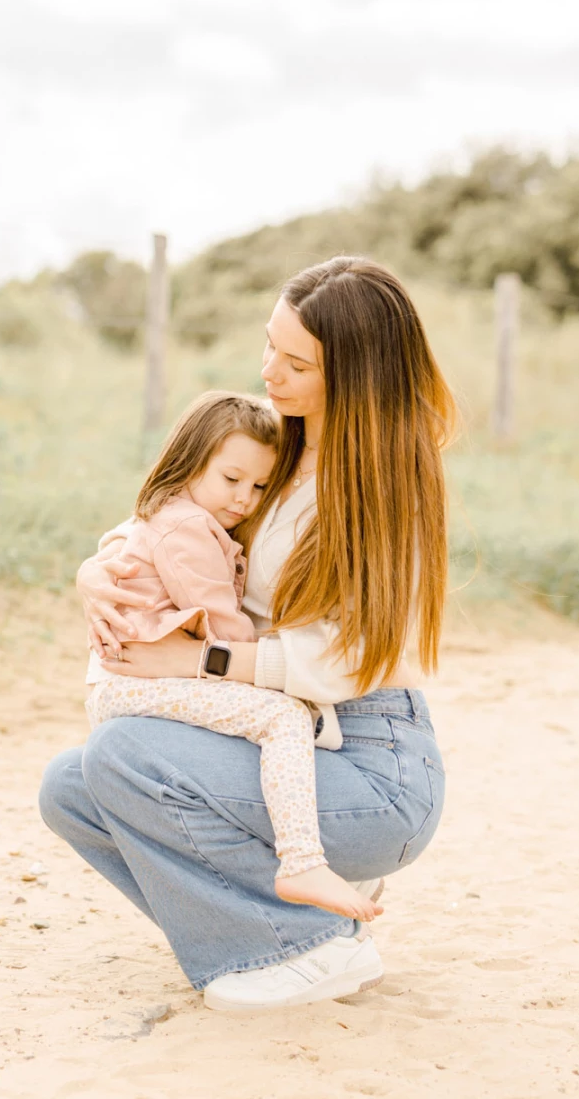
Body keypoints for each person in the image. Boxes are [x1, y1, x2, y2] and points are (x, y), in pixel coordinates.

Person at [39, 255, 452, 1014]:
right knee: (72, 787)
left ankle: (295, 947)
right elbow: (174, 523)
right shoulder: (276, 450)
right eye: (270, 345)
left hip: (367, 760)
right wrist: (94, 570)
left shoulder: (381, 487)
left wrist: (198, 658)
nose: (270, 371)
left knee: (126, 754)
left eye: (297, 363)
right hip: (282, 739)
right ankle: (300, 929)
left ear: (355, 379)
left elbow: (342, 663)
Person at [85, 389, 381, 923]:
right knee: (282, 715)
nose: (245, 498)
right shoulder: (188, 528)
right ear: (190, 460)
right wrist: (269, 666)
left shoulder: (181, 517)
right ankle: (302, 861)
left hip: (132, 679)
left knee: (265, 722)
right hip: (135, 680)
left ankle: (309, 866)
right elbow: (219, 618)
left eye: (260, 486)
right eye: (231, 479)